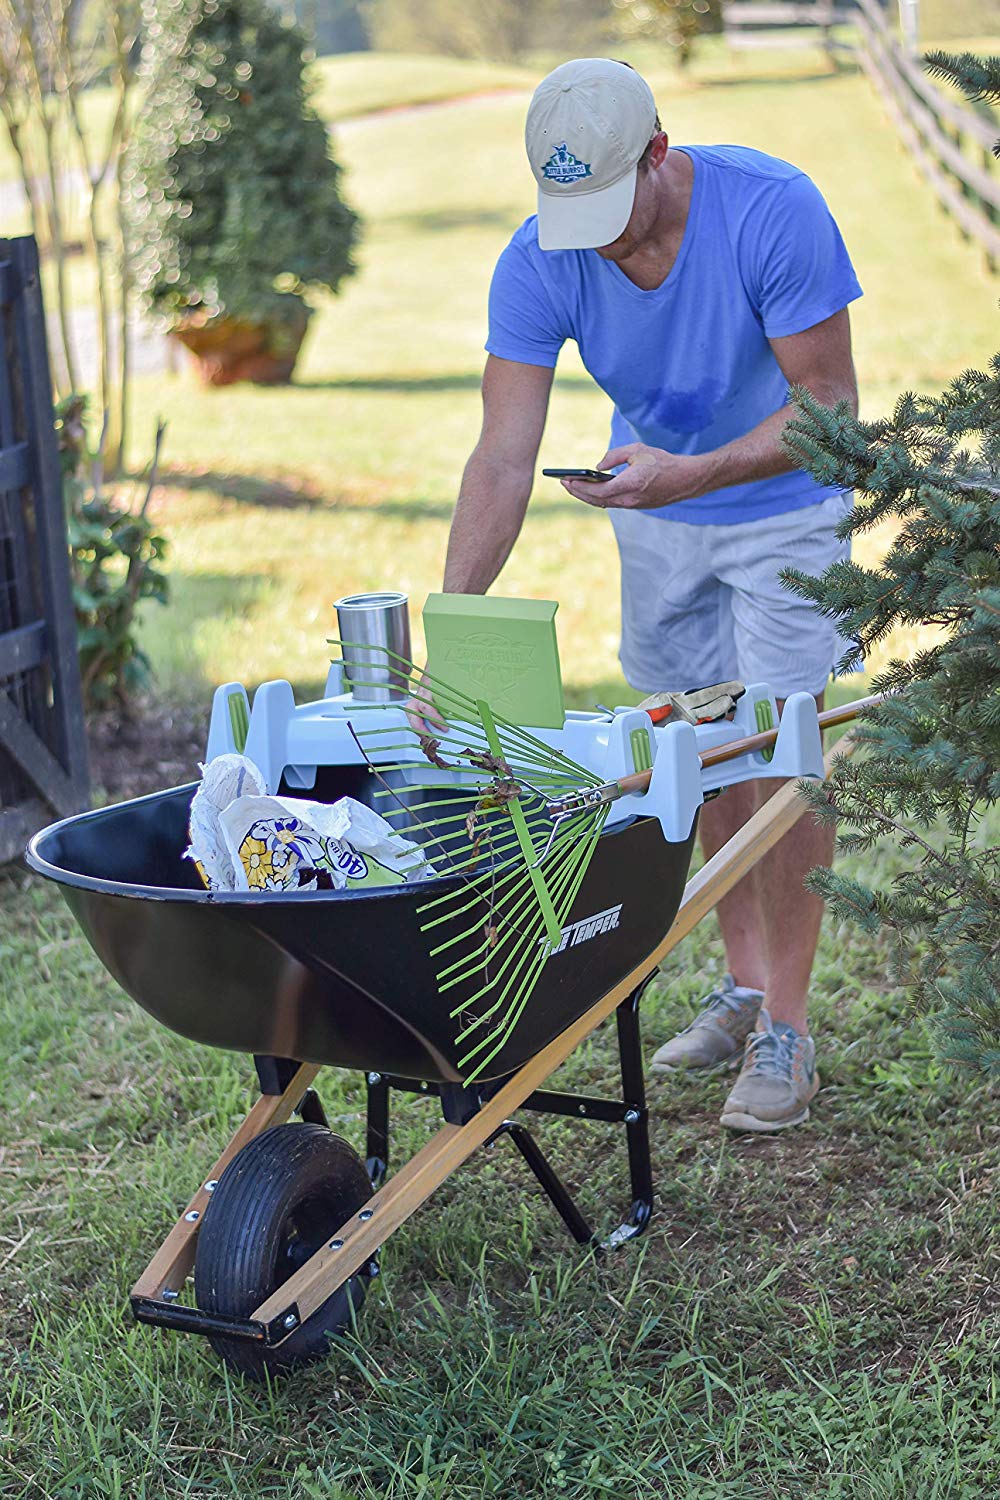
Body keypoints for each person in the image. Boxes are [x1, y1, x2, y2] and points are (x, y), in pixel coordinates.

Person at [427, 57, 862, 1132]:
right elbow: (500, 454)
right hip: (659, 522)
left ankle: (788, 1028)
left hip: (783, 509)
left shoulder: (773, 210)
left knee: (781, 753)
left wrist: (692, 472)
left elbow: (832, 406)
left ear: (659, 153)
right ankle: (744, 982)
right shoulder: (539, 258)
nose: (602, 241)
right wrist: (455, 624)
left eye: (613, 210)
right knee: (698, 752)